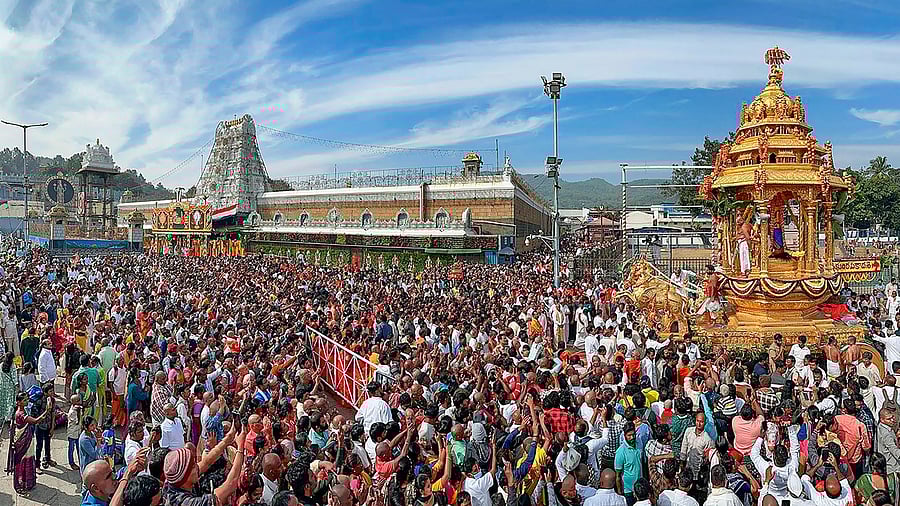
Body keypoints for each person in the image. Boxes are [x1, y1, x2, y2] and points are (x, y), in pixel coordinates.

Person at [5, 391, 51, 496]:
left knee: (28, 459)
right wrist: (47, 411)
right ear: (18, 402)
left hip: (26, 438)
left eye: (27, 399)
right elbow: (35, 421)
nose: (27, 401)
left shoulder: (22, 411)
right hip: (22, 441)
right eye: (24, 400)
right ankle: (20, 484)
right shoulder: (20, 414)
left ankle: (27, 481)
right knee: (21, 462)